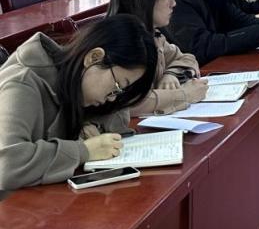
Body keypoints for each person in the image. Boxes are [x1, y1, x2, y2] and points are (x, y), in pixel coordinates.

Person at [0, 15, 158, 198]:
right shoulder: (21, 83)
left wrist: (90, 125)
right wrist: (85, 151)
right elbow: (7, 166)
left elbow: (119, 120)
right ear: (93, 57)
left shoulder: (74, 84)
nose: (113, 98)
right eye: (117, 86)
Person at [107, 0, 209, 115]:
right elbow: (126, 103)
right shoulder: (121, 41)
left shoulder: (153, 34)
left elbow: (187, 59)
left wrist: (171, 74)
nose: (174, 3)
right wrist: (184, 95)